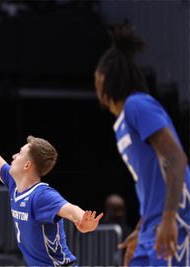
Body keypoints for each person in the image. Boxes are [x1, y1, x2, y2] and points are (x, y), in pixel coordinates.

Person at [0, 85, 103, 266]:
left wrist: (81, 220)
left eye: (19, 153)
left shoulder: (41, 195)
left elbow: (69, 208)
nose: (14, 156)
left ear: (27, 165)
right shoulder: (14, 182)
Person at [94, 24, 190, 266]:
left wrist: (169, 219)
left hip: (174, 222)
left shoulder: (138, 105)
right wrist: (141, 227)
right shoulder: (121, 124)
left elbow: (177, 158)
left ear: (105, 76)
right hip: (151, 225)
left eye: (96, 74)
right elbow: (150, 183)